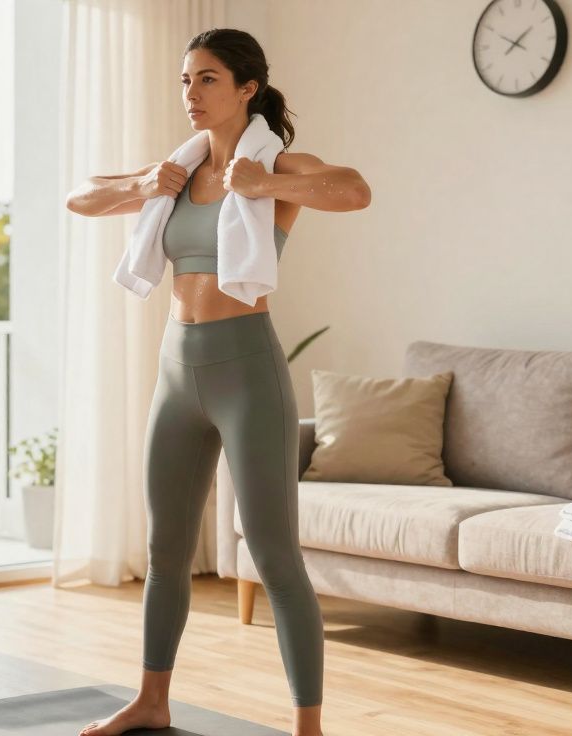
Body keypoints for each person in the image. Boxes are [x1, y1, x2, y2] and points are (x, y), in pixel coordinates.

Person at [64, 27, 371, 736]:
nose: (191, 95)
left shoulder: (277, 166)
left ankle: (308, 726)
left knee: (273, 554)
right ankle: (151, 699)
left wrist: (266, 185)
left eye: (206, 79)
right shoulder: (176, 169)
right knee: (165, 550)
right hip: (177, 370)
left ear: (247, 89)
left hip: (246, 373)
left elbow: (355, 191)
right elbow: (81, 198)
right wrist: (144, 184)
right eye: (184, 80)